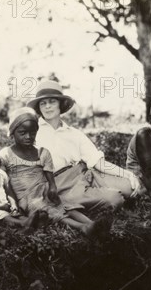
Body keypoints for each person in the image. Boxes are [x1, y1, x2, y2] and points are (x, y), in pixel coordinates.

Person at [28, 80, 141, 213]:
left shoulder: (74, 133)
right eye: (43, 103)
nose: (47, 106)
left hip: (84, 175)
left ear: (60, 104)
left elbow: (98, 162)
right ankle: (92, 200)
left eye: (52, 101)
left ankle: (97, 194)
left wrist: (127, 174)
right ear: (39, 108)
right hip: (59, 185)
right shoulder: (32, 132)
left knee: (130, 186)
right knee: (114, 199)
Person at [0, 107, 109, 238]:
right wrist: (13, 203)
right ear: (12, 133)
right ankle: (82, 227)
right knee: (45, 208)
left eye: (32, 133)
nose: (28, 137)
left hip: (43, 189)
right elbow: (5, 183)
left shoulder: (42, 152)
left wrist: (52, 187)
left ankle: (92, 224)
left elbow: (49, 175)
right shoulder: (6, 154)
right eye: (22, 133)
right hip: (26, 197)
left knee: (62, 203)